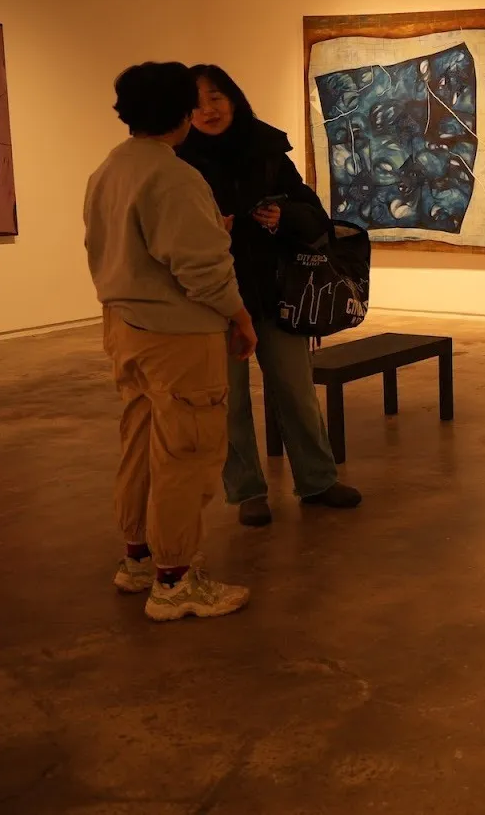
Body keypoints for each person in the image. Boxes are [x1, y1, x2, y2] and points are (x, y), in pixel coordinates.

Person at [84, 62, 257, 621]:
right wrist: (239, 315)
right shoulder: (173, 176)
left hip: (125, 326)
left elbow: (122, 244)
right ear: (182, 114)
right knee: (188, 451)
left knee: (140, 440)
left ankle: (138, 558)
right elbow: (201, 270)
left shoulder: (111, 168)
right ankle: (175, 580)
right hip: (178, 335)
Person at [177, 65, 361, 526]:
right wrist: (209, 230)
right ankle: (247, 492)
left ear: (234, 99)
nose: (208, 110)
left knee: (297, 391)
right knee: (229, 402)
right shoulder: (177, 161)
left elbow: (314, 214)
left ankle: (318, 480)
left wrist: (283, 216)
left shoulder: (266, 148)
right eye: (196, 103)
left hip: (276, 293)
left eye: (216, 97)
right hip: (214, 299)